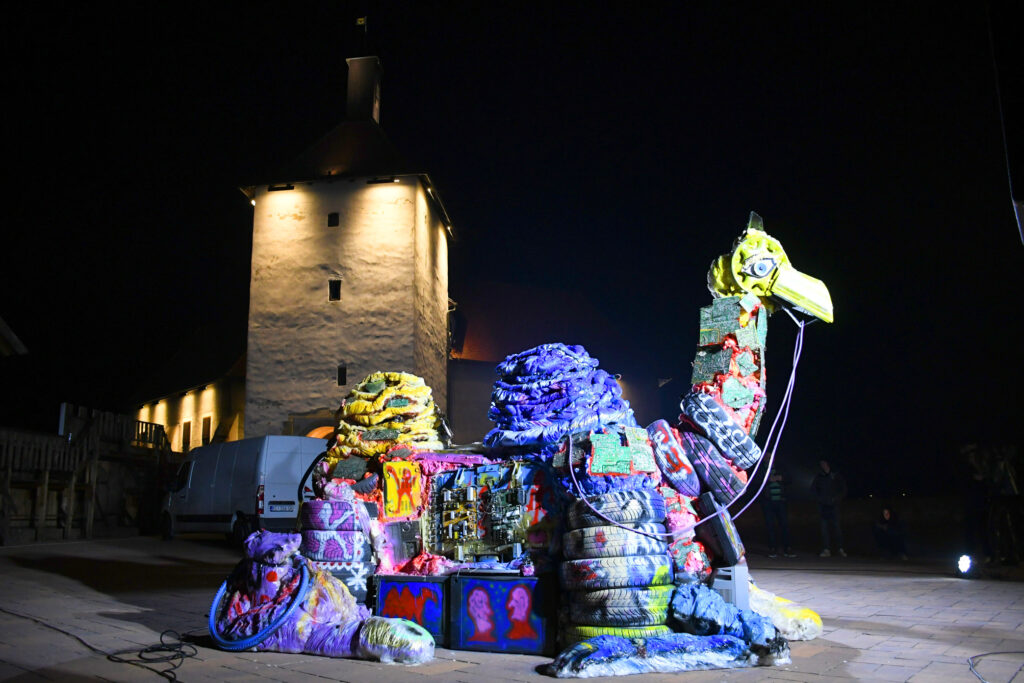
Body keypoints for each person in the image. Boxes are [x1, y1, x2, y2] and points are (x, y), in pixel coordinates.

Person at [812, 459, 847, 557]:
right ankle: (826, 549)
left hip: (834, 506)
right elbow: (813, 489)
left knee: (837, 528)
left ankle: (840, 548)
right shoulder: (819, 476)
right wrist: (820, 499)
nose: (823, 465)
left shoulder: (836, 475)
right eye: (821, 464)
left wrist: (836, 498)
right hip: (823, 506)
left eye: (824, 463)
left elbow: (843, 489)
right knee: (824, 529)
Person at [760, 467, 796, 558]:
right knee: (770, 525)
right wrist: (767, 480)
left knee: (784, 525)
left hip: (781, 501)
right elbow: (756, 481)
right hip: (768, 501)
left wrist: (781, 478)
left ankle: (787, 548)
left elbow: (790, 479)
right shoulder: (761, 468)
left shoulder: (780, 466)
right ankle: (772, 548)